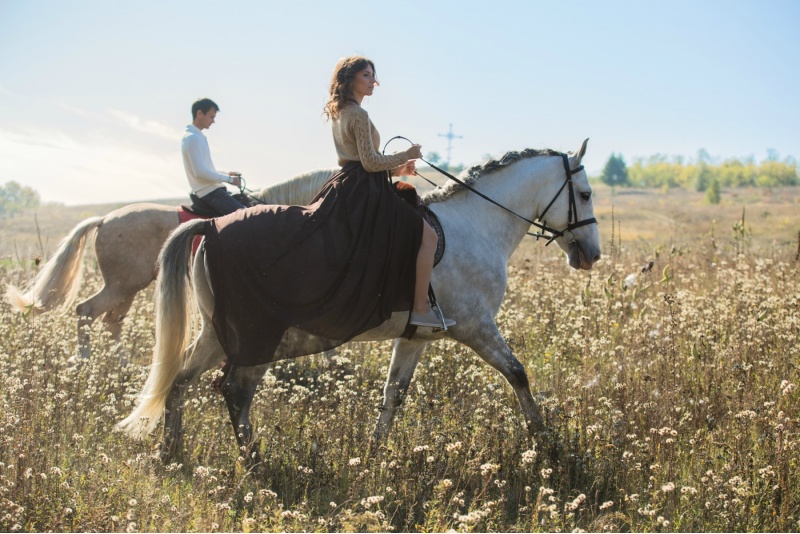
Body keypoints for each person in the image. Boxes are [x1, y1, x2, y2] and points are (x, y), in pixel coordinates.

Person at [201, 56, 454, 368]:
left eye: (374, 75)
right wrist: (408, 154)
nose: (373, 81)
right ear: (349, 79)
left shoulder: (342, 112)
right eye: (366, 75)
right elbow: (371, 162)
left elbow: (362, 159)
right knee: (426, 235)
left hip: (350, 185)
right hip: (364, 189)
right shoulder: (358, 114)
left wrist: (400, 167)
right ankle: (420, 309)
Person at [182, 98, 246, 216]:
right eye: (211, 117)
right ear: (200, 113)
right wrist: (230, 180)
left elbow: (206, 170)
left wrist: (227, 174)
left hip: (212, 191)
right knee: (247, 218)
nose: (213, 121)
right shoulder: (192, 138)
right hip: (209, 193)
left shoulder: (197, 136)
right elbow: (200, 173)